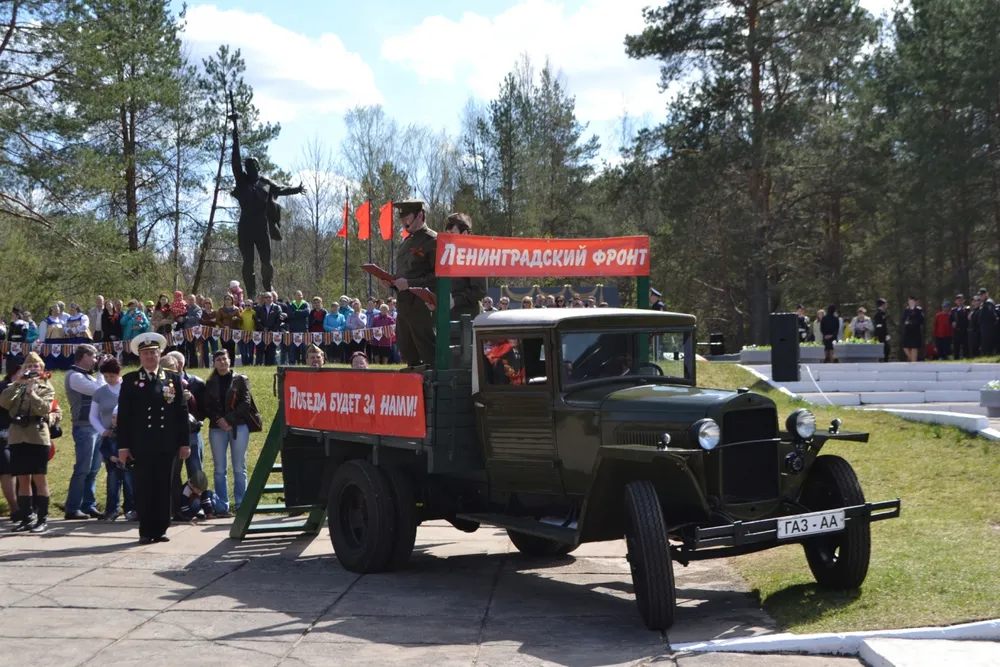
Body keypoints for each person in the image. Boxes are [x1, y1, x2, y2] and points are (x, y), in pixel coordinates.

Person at [117, 332, 190, 544]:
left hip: (166, 444)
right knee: (144, 486)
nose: (150, 357)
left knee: (163, 486)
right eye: (146, 353)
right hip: (142, 444)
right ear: (140, 356)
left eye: (153, 353)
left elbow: (181, 413)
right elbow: (124, 416)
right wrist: (123, 447)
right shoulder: (131, 381)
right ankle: (146, 529)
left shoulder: (172, 379)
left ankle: (161, 528)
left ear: (160, 354)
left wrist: (184, 442)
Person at [229, 107, 304, 298]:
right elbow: (235, 162)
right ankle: (251, 295)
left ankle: (268, 290)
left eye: (251, 165)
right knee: (247, 262)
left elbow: (279, 190)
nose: (248, 167)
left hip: (262, 226)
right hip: (245, 226)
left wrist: (296, 189)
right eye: (246, 166)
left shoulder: (265, 183)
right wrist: (235, 135)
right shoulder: (242, 181)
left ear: (258, 167)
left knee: (266, 262)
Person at [0, 352, 59, 532]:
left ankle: (42, 519)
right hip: (17, 437)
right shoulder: (15, 387)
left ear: (42, 370)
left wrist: (32, 392)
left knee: (39, 479)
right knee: (23, 479)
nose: (32, 369)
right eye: (29, 367)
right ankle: (25, 518)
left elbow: (43, 409)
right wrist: (18, 384)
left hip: (37, 437)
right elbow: (3, 402)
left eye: (36, 367)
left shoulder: (46, 388)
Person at [203, 349, 253, 517]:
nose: (222, 362)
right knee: (219, 469)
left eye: (224, 359)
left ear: (229, 360)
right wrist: (219, 420)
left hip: (238, 426)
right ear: (214, 363)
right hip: (217, 429)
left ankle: (241, 503)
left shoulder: (241, 380)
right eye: (218, 360)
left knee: (239, 467)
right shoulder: (210, 382)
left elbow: (245, 403)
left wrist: (229, 419)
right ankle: (222, 506)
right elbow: (207, 406)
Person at [391, 199, 438, 368]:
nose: (403, 221)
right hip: (404, 305)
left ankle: (435, 388)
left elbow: (438, 276)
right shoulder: (406, 242)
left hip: (422, 305)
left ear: (420, 215)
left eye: (407, 217)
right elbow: (404, 273)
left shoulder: (432, 240)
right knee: (405, 346)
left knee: (426, 348)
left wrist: (410, 283)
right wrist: (391, 282)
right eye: (401, 217)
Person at [88, 357, 135, 522]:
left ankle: (131, 508)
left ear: (119, 373)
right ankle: (112, 509)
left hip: (128, 436)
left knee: (130, 478)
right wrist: (103, 431)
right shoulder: (100, 392)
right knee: (113, 478)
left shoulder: (128, 387)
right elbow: (93, 416)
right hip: (110, 437)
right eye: (106, 376)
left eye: (112, 376)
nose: (109, 379)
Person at [64, 344, 106, 520]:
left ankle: (88, 505)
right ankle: (72, 507)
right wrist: (102, 371)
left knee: (94, 468)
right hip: (83, 426)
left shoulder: (87, 376)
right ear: (84, 356)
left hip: (95, 426)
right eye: (94, 356)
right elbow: (100, 391)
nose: (96, 360)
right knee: (83, 468)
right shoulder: (74, 376)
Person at [163, 351, 206, 478]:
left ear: (180, 364)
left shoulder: (195, 382)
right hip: (171, 433)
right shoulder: (162, 384)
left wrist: (191, 399)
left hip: (191, 431)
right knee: (173, 474)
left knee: (196, 472)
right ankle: (178, 498)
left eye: (172, 367)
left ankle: (196, 498)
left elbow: (202, 410)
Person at [445, 213, 487, 324]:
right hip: (447, 316)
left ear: (464, 233)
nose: (448, 237)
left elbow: (479, 290)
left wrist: (455, 300)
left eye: (452, 233)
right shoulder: (448, 255)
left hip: (466, 319)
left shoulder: (475, 255)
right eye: (447, 234)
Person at [0, 362, 20, 516]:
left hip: (20, 436)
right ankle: (14, 508)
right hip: (4, 436)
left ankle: (21, 507)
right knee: (7, 470)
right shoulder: (4, 387)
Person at [254, 292, 282, 366]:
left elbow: (279, 320)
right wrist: (263, 328)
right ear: (264, 299)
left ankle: (269, 365)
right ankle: (258, 365)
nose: (268, 299)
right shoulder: (259, 308)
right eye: (266, 297)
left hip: (272, 332)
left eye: (270, 297)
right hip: (262, 332)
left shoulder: (277, 307)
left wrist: (272, 329)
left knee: (271, 351)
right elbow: (257, 320)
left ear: (272, 298)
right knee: (260, 350)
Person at [283, 290, 310, 365]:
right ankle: (293, 362)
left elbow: (307, 312)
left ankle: (304, 362)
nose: (300, 296)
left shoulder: (306, 304)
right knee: (293, 348)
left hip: (303, 329)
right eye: (298, 295)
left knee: (304, 347)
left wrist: (296, 312)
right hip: (293, 329)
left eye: (301, 295)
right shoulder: (291, 305)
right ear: (294, 296)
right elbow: (290, 314)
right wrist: (300, 314)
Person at [217, 295, 242, 364]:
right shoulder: (221, 309)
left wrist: (237, 318)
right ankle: (224, 363)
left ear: (232, 300)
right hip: (224, 331)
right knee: (224, 348)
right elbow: (218, 320)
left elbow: (241, 319)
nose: (227, 301)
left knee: (232, 348)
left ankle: (232, 364)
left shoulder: (236, 309)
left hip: (233, 331)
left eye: (229, 299)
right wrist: (223, 326)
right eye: (226, 299)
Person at [901, 297, 924, 362]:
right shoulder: (906, 310)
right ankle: (912, 359)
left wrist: (914, 322)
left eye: (912, 301)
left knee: (914, 347)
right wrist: (906, 322)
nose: (910, 303)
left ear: (915, 302)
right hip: (908, 331)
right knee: (905, 347)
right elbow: (903, 320)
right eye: (909, 301)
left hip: (915, 330)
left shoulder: (918, 310)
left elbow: (921, 320)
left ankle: (913, 362)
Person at [239, 298, 257, 367]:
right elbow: (240, 323)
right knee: (244, 352)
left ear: (252, 305)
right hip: (243, 334)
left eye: (249, 305)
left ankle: (250, 364)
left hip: (252, 334)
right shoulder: (242, 313)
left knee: (251, 352)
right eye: (246, 305)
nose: (247, 306)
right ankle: (244, 364)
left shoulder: (254, 313)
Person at [950, 294, 969, 360]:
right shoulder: (953, 310)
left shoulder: (966, 309)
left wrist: (958, 324)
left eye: (961, 300)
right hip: (956, 331)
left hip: (963, 330)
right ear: (955, 301)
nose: (959, 302)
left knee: (965, 345)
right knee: (956, 346)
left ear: (963, 301)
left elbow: (966, 320)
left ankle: (966, 358)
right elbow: (950, 319)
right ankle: (956, 358)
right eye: (958, 300)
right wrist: (952, 323)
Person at [978, 287, 996, 356]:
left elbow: (992, 314)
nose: (981, 296)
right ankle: (986, 355)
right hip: (984, 326)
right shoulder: (983, 303)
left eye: (982, 295)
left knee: (988, 342)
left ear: (986, 294)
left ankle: (989, 354)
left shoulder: (989, 302)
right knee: (984, 343)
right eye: (980, 295)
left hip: (989, 326)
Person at [873, 298, 890, 362]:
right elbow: (880, 325)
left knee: (886, 349)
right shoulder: (880, 313)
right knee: (885, 349)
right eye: (885, 304)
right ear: (882, 305)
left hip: (881, 333)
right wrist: (885, 334)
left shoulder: (881, 312)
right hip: (881, 333)